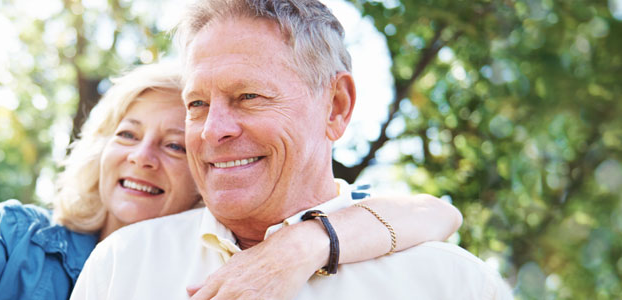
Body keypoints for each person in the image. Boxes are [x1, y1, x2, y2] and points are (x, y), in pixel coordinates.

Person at [0, 46, 460, 300]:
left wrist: (308, 241)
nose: (143, 156)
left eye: (175, 146)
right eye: (128, 135)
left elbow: (431, 212)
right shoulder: (25, 241)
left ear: (210, 164)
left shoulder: (235, 259)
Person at [70, 0, 513, 299]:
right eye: (198, 104)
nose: (213, 131)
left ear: (336, 107)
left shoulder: (451, 282)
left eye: (249, 97)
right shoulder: (120, 266)